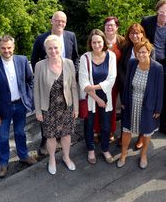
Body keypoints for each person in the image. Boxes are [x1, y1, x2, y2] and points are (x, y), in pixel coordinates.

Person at [0, 35, 37, 178]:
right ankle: (3, 163)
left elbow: (30, 80)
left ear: (13, 47)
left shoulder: (22, 60)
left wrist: (29, 97)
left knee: (20, 132)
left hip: (20, 105)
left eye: (9, 47)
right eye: (3, 48)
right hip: (3, 109)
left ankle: (23, 155)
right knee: (2, 138)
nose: (6, 50)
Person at [30, 10, 79, 155]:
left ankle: (62, 145)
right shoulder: (41, 39)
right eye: (57, 20)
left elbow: (76, 57)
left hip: (65, 79)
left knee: (65, 114)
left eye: (63, 21)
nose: (60, 23)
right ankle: (45, 141)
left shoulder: (71, 36)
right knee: (47, 115)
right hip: (48, 81)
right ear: (52, 21)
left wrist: (73, 73)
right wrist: (41, 76)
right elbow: (34, 59)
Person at [33, 35, 79, 175]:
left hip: (66, 106)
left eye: (56, 48)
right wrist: (38, 110)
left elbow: (73, 87)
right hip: (48, 108)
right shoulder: (40, 65)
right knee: (51, 136)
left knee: (66, 135)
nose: (53, 51)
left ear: (60, 48)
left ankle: (66, 157)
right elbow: (36, 89)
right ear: (45, 50)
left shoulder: (69, 63)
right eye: (50, 48)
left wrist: (75, 107)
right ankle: (52, 159)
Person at [118, 40, 164, 169]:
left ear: (149, 52)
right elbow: (127, 84)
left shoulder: (157, 68)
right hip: (132, 103)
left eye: (144, 52)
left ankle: (143, 155)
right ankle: (123, 154)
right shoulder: (132, 63)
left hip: (148, 105)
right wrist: (124, 102)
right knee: (126, 131)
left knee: (146, 132)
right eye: (138, 52)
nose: (141, 54)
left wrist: (158, 109)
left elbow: (160, 90)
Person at [141, 0, 166, 135]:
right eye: (162, 12)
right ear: (157, 11)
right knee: (148, 91)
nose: (164, 15)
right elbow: (142, 41)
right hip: (150, 61)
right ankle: (147, 121)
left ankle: (164, 124)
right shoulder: (147, 21)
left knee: (165, 92)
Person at [78, 29, 117, 165]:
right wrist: (97, 98)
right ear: (90, 43)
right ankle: (90, 150)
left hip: (106, 97)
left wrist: (93, 87)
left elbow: (111, 79)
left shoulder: (111, 56)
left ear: (103, 42)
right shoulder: (85, 58)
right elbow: (83, 83)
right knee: (89, 125)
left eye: (99, 42)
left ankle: (105, 149)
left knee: (106, 126)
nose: (97, 45)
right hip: (91, 98)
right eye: (94, 42)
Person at [94, 16, 124, 143]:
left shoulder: (122, 42)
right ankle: (96, 130)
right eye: (107, 25)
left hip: (114, 80)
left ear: (117, 27)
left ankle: (110, 130)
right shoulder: (99, 40)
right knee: (97, 104)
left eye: (112, 25)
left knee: (109, 106)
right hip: (98, 79)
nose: (109, 27)